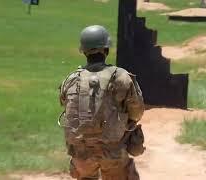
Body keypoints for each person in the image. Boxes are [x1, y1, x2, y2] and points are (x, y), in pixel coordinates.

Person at [59, 25, 145, 180]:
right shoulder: (121, 77)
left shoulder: (71, 79)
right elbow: (137, 112)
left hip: (81, 155)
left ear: (84, 51)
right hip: (112, 153)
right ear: (106, 50)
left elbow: (67, 107)